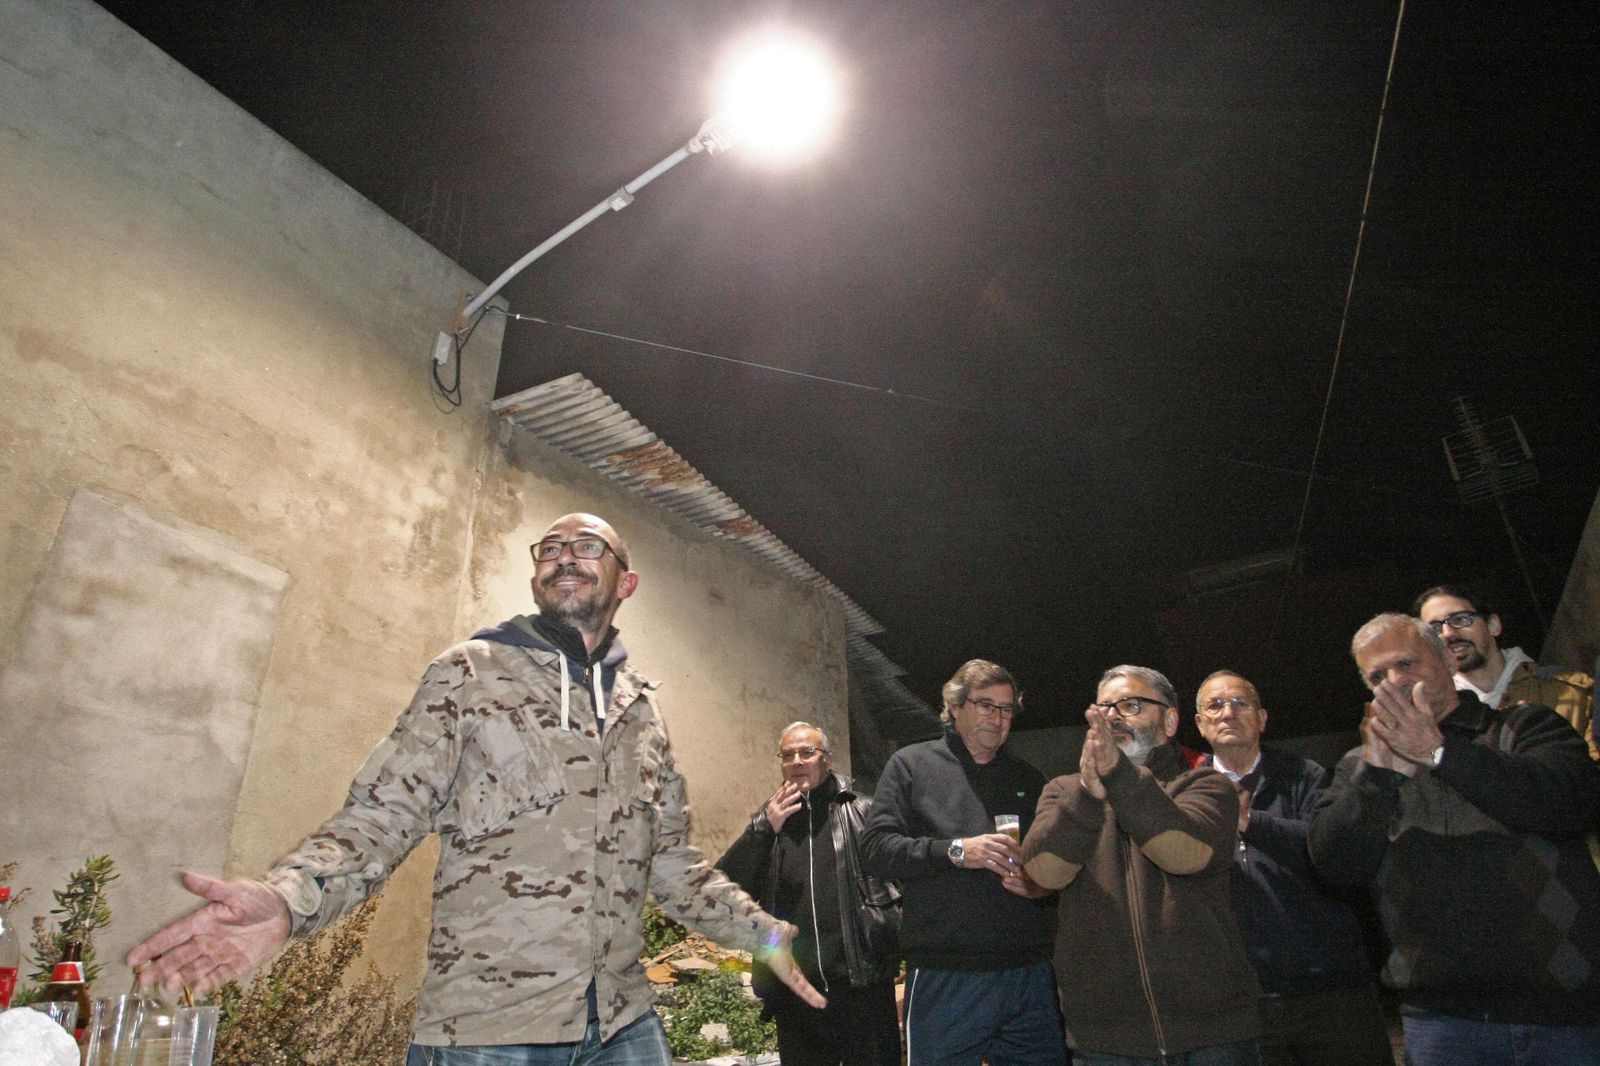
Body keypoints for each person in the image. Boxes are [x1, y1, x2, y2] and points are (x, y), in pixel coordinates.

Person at [127, 512, 823, 1066]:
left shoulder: (641, 711)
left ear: (626, 583)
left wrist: (759, 930)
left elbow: (670, 862)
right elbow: (383, 814)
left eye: (588, 546)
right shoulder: (471, 673)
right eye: (549, 549)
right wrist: (288, 899)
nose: (564, 556)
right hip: (488, 1027)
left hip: (620, 1021)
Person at [1308, 613, 1600, 1066]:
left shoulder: (1524, 727)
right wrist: (1379, 779)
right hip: (1442, 1023)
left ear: (1446, 658)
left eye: (1406, 663)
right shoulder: (1358, 766)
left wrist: (1439, 752)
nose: (1395, 682)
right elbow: (1335, 865)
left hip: (1560, 1016)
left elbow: (1569, 805)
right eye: (1377, 676)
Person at [1021, 665, 1260, 1065]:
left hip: (1214, 1032)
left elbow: (1184, 854)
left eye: (1130, 705)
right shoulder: (1063, 792)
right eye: (1105, 708)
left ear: (1168, 721)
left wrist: (1118, 775)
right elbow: (1043, 873)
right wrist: (1086, 795)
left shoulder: (1204, 786)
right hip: (1108, 1038)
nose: (1114, 716)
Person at [860, 659, 1067, 1066]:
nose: (997, 718)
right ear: (955, 707)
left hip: (1027, 971)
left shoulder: (1029, 779)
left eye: (1006, 709)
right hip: (947, 971)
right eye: (985, 705)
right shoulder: (911, 765)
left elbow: (1057, 863)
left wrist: (1041, 886)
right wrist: (956, 851)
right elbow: (876, 849)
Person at [1192, 670, 1390, 1066]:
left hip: (1332, 990)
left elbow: (1331, 853)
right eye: (1215, 705)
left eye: (1239, 703)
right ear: (1199, 723)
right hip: (1242, 999)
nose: (1227, 712)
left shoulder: (1306, 775)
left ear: (1262, 719)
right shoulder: (1187, 790)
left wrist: (1251, 822)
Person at [716, 722, 902, 1066]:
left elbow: (903, 882)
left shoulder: (864, 812)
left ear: (827, 760)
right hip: (796, 992)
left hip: (861, 987)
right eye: (788, 755)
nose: (798, 761)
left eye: (807, 752)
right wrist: (761, 830)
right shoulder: (770, 822)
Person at [1413, 584, 1596, 759]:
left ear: (1493, 625)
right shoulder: (1431, 718)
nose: (1448, 633)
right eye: (1435, 629)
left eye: (1460, 620)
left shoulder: (1572, 692)